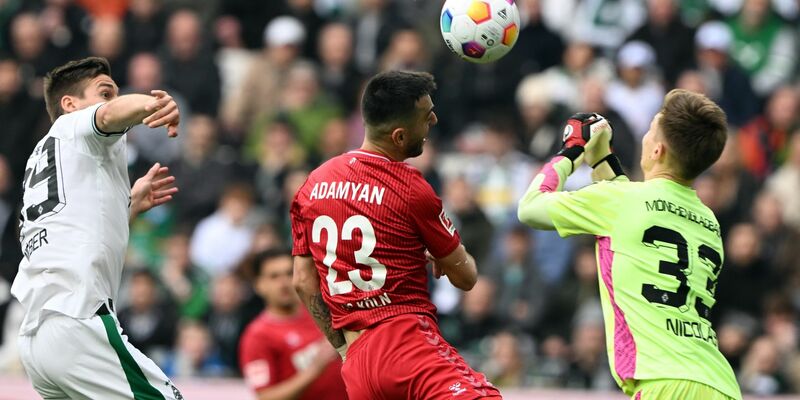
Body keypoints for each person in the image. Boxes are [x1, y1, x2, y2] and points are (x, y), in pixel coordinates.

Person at [517, 89, 741, 400]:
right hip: (720, 383)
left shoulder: (621, 202)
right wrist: (602, 155)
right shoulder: (708, 219)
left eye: (650, 130)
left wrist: (572, 150)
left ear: (657, 151)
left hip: (661, 381)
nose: (645, 137)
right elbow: (633, 207)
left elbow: (529, 207)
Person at [290, 70, 501, 399]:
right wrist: (445, 256)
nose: (433, 119)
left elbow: (303, 282)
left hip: (358, 365)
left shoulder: (313, 184)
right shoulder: (411, 187)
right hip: (407, 345)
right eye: (426, 116)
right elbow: (466, 277)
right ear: (399, 137)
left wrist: (344, 350)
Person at [11, 57, 183, 399]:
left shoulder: (45, 154)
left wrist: (128, 204)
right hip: (78, 319)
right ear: (70, 104)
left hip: (36, 339)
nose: (113, 100)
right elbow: (106, 116)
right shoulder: (72, 126)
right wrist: (153, 104)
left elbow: (72, 221)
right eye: (106, 92)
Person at [239, 249, 347, 400]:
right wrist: (315, 368)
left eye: (289, 273)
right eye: (274, 276)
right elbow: (265, 396)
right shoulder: (257, 336)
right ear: (259, 285)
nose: (284, 283)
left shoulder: (323, 312)